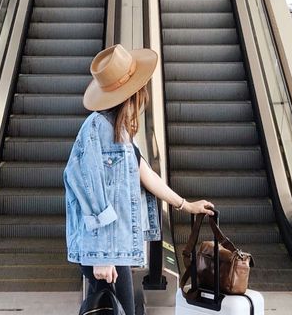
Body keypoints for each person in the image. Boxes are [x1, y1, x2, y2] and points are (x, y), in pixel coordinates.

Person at [64, 44, 215, 314]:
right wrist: (103, 255)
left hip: (114, 247)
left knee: (124, 310)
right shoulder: (97, 128)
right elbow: (83, 185)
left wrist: (186, 205)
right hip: (103, 249)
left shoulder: (119, 130)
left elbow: (146, 174)